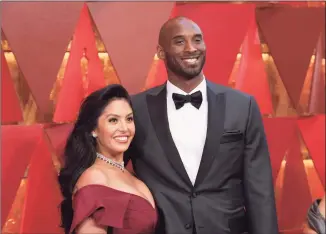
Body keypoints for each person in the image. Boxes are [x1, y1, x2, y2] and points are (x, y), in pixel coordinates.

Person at [126, 16, 278, 234]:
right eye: (179, 42)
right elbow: (112, 171)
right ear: (160, 52)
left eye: (197, 40)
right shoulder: (135, 109)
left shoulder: (242, 105)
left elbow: (260, 188)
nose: (191, 48)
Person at [58, 84, 157, 234]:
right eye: (113, 120)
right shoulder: (95, 177)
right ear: (93, 129)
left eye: (129, 119)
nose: (124, 128)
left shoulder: (131, 175)